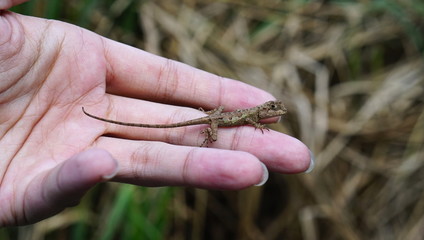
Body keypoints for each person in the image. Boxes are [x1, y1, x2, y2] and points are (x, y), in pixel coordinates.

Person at [0, 0, 314, 227]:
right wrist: (212, 125)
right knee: (210, 128)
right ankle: (208, 132)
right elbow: (243, 119)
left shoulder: (256, 114)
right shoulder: (252, 115)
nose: (276, 110)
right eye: (274, 108)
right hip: (217, 119)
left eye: (274, 108)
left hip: (218, 116)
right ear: (266, 109)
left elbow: (248, 118)